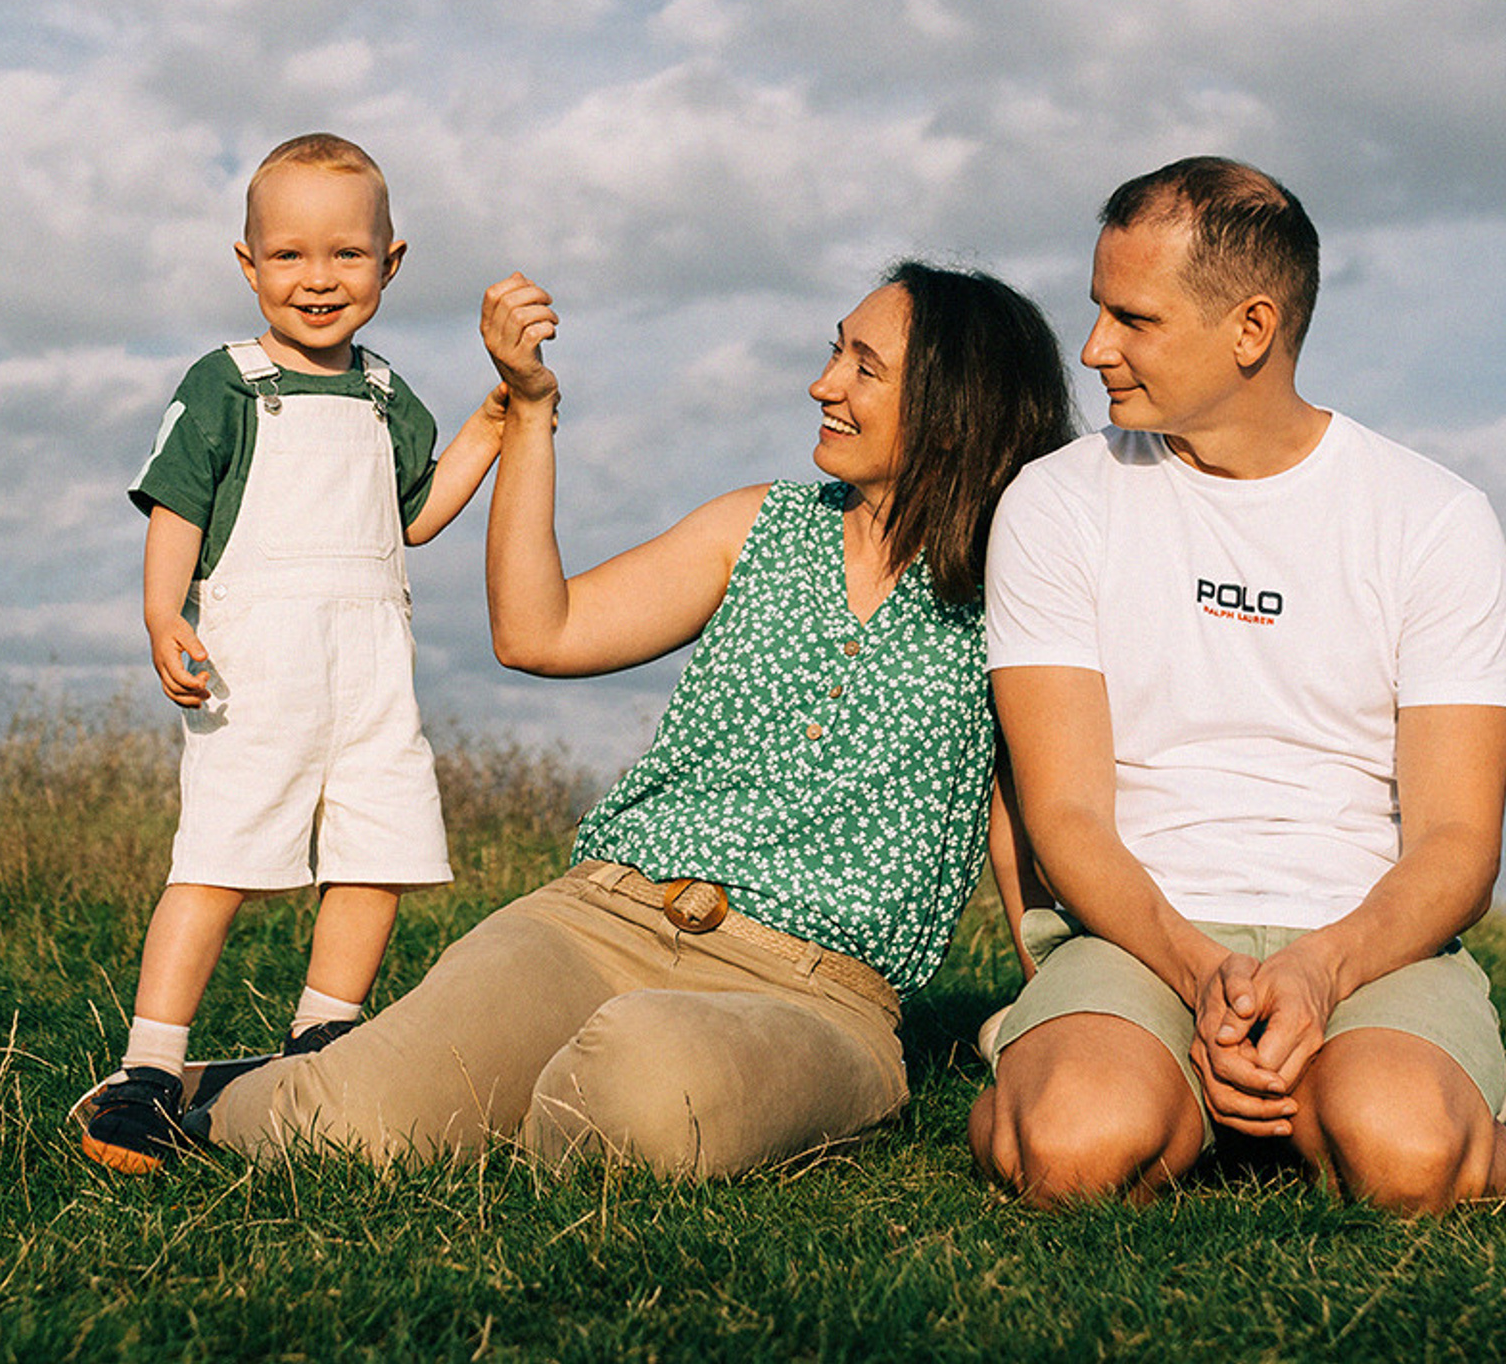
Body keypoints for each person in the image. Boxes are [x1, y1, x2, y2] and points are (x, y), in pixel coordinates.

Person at [183, 256, 1078, 1177]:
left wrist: (1059, 997)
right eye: (833, 355)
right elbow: (540, 632)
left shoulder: (1021, 592)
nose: (824, 384)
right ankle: (197, 1095)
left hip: (814, 995)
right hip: (600, 920)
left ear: (957, 405)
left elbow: (1028, 809)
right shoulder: (757, 525)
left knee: (643, 1103)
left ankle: (480, 1098)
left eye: (865, 367)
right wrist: (531, 412)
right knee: (346, 1132)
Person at [971, 157, 1506, 1214]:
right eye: (1096, 308)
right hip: (1140, 934)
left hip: (1364, 941)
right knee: (1072, 1148)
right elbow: (1066, 813)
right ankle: (1127, 1071)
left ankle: (1355, 1092)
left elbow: (1459, 842)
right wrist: (1192, 972)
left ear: (1251, 328)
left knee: (1406, 1155)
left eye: (1132, 317)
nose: (1092, 348)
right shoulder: (1055, 504)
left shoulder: (1433, 516)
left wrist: (1320, 971)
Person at [74, 134, 510, 1175]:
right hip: (255, 657)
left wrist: (494, 425)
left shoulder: (392, 396)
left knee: (378, 852)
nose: (318, 279)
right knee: (218, 857)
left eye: (346, 256)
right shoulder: (227, 383)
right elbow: (178, 504)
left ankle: (322, 1034)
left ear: (389, 263)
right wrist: (159, 614)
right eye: (289, 256)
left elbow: (414, 519)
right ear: (248, 262)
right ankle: (148, 1066)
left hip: (370, 663)